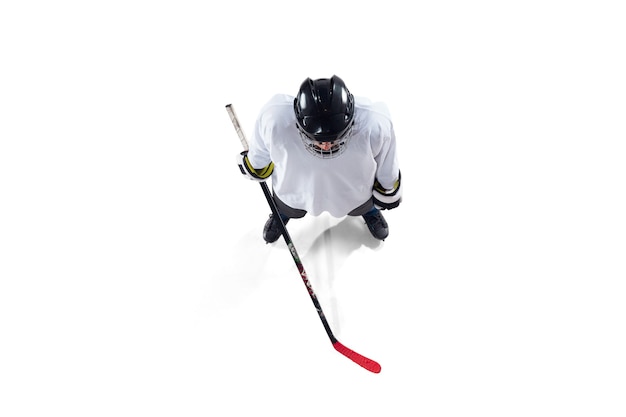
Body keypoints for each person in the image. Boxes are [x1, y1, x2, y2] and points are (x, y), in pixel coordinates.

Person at [236, 75, 402, 243]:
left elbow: (387, 165)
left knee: (361, 204)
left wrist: (387, 188)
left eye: (333, 139)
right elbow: (259, 156)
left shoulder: (375, 124)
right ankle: (281, 215)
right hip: (294, 188)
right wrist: (255, 164)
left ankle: (370, 211)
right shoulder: (274, 120)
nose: (325, 147)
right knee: (288, 205)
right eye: (318, 140)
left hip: (355, 191)